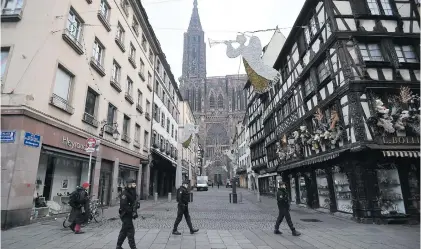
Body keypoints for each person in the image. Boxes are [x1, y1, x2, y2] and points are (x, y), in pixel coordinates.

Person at [117, 179, 139, 249]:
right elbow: (124, 205)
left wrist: (136, 206)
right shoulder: (125, 193)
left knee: (124, 231)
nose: (134, 185)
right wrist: (132, 212)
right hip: (125, 214)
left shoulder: (132, 192)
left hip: (128, 215)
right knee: (130, 231)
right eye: (133, 184)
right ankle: (133, 247)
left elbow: (134, 202)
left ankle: (118, 246)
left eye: (134, 184)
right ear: (129, 184)